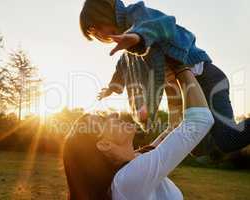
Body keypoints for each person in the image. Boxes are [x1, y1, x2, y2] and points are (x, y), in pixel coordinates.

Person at [80, 0, 250, 161]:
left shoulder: (136, 13)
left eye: (96, 30)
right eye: (94, 35)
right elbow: (122, 66)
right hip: (183, 89)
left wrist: (137, 37)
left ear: (103, 14)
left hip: (207, 80)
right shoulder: (128, 50)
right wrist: (113, 87)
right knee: (195, 147)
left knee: (227, 140)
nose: (100, 36)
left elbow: (161, 24)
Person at [63, 67, 214, 200]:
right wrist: (181, 69)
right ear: (104, 144)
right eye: (103, 120)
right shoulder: (128, 179)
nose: (114, 114)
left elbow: (172, 129)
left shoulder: (135, 162)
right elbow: (199, 122)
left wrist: (170, 85)